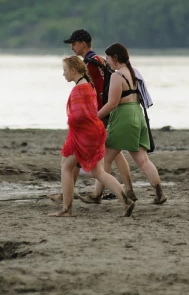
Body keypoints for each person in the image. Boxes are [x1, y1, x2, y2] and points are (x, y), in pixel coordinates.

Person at [52, 29, 138, 203]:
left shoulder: (89, 64)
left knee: (79, 158)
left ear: (83, 44)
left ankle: (70, 195)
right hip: (104, 111)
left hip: (97, 114)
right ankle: (127, 190)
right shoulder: (99, 59)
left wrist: (92, 116)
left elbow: (92, 90)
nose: (72, 48)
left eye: (74, 44)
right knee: (114, 151)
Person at [88, 43, 167, 205]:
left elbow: (112, 104)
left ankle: (97, 195)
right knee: (143, 160)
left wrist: (95, 117)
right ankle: (159, 194)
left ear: (115, 57)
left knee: (105, 159)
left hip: (124, 117)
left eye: (108, 58)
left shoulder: (118, 76)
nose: (107, 61)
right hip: (137, 114)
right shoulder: (134, 73)